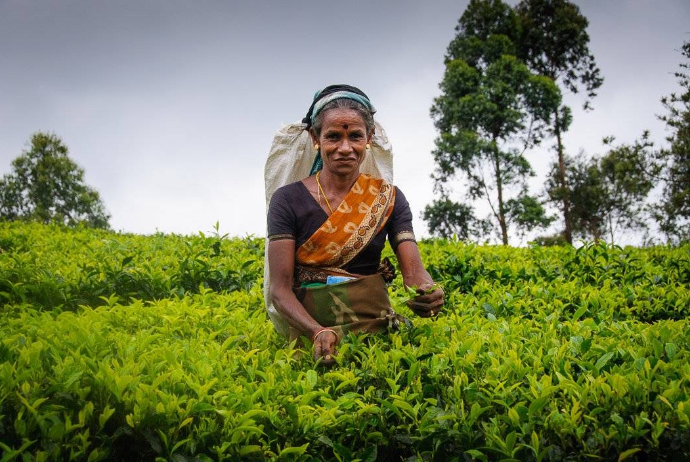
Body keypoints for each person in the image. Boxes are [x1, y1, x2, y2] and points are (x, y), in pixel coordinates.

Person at [266, 84, 444, 365]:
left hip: (377, 332)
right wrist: (317, 331)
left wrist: (429, 293)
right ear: (316, 138)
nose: (345, 148)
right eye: (333, 137)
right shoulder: (287, 200)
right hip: (310, 334)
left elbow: (414, 273)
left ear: (369, 138)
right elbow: (280, 289)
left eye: (355, 137)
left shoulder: (389, 199)